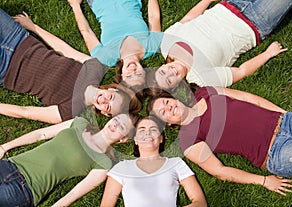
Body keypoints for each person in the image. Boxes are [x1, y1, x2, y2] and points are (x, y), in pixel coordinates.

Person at [147, 86, 292, 196]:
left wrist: (283, 113)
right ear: (166, 123)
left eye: (167, 102)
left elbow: (247, 98)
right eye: (163, 112)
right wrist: (264, 181)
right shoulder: (187, 140)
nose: (169, 108)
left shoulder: (205, 92)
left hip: (285, 121)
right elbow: (219, 170)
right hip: (275, 152)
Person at [0, 9, 141, 124]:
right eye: (111, 97)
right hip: (18, 37)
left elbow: (26, 111)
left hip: (6, 69)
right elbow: (64, 49)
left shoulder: (69, 111)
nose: (104, 100)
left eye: (108, 106)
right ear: (112, 89)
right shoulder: (95, 68)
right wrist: (33, 27)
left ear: (105, 113)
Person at [153, 0, 292, 90]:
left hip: (230, 3)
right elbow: (241, 71)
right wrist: (268, 54)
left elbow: (189, 18)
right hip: (254, 22)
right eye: (169, 80)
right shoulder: (202, 79)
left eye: (162, 72)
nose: (170, 72)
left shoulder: (167, 43)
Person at [0, 113, 137, 206]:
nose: (115, 125)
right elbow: (41, 134)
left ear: (124, 139)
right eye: (116, 119)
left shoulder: (104, 163)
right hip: (10, 165)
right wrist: (4, 147)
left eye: (122, 127)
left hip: (25, 190)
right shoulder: (80, 123)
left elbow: (74, 193)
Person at [100, 116, 207, 207]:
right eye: (142, 130)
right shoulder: (121, 168)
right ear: (136, 140)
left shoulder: (175, 163)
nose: (148, 133)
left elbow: (200, 202)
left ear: (161, 138)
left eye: (154, 129)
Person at [67, 0, 163, 93]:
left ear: (122, 75)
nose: (133, 71)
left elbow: (86, 32)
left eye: (129, 76)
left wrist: (75, 5)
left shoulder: (105, 58)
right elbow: (154, 16)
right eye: (138, 74)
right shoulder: (152, 46)